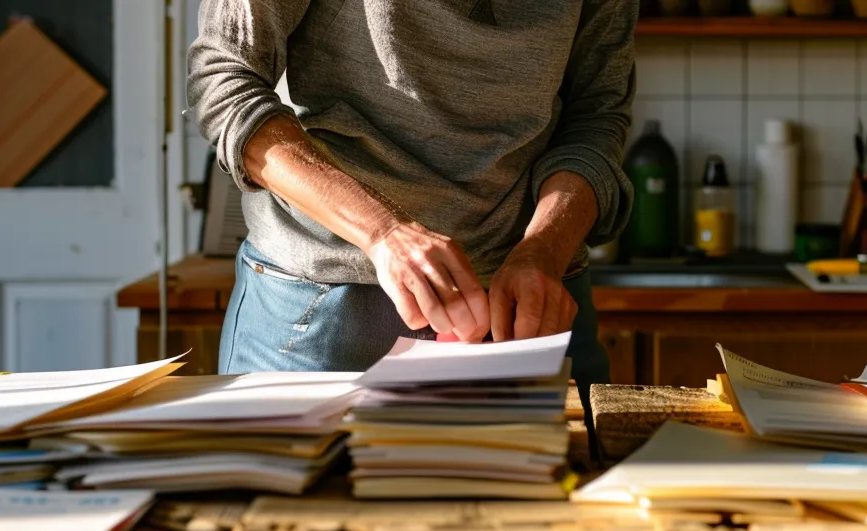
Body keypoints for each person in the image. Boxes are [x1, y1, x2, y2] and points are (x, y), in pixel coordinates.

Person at [187, 1, 636, 401]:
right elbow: (223, 80)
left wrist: (546, 248)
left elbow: (596, 113)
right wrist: (382, 232)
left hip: (535, 304)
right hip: (323, 313)